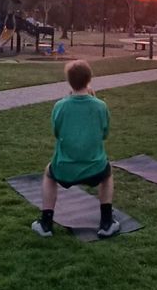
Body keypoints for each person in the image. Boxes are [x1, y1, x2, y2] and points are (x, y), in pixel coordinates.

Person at [31, 60, 120, 239]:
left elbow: (57, 132)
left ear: (69, 81)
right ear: (90, 79)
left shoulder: (60, 106)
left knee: (49, 174)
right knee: (108, 174)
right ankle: (106, 222)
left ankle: (46, 223)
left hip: (64, 169)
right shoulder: (100, 106)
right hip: (95, 168)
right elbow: (104, 134)